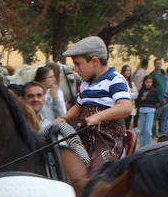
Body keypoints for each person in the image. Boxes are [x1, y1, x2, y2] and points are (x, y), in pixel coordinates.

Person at [57, 36, 133, 173]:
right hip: (84, 135)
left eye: (78, 64)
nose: (75, 69)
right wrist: (65, 118)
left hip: (106, 139)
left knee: (94, 172)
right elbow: (78, 106)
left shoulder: (114, 80)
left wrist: (98, 117)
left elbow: (126, 107)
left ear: (94, 61)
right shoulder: (85, 84)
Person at [136, 71, 162, 144]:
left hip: (151, 111)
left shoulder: (154, 91)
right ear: (144, 82)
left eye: (150, 82)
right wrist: (141, 99)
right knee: (142, 130)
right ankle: (142, 146)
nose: (148, 83)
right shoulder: (141, 90)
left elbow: (157, 100)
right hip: (142, 111)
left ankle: (147, 146)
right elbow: (138, 101)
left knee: (148, 130)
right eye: (147, 82)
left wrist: (146, 99)